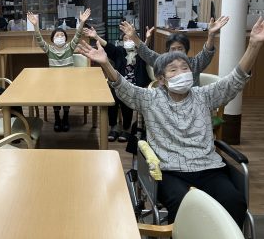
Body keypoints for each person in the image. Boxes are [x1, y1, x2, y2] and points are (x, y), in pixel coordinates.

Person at [77, 16, 264, 227]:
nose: (181, 73)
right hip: (170, 170)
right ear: (162, 79)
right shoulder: (151, 98)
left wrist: (254, 45)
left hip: (208, 166)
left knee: (235, 202)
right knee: (184, 207)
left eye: (185, 68)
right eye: (173, 70)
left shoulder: (203, 95)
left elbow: (235, 80)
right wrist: (105, 65)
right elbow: (124, 89)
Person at [27, 8, 91, 132]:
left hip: (69, 81)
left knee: (66, 97)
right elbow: (39, 40)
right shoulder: (49, 49)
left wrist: (82, 22)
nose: (60, 37)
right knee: (55, 96)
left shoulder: (70, 47)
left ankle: (66, 117)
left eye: (62, 35)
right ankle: (57, 117)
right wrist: (35, 25)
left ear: (66, 38)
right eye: (57, 35)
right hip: (54, 82)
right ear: (52, 39)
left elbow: (77, 36)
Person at [83, 27, 151, 142]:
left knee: (126, 100)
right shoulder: (120, 51)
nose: (128, 41)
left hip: (135, 85)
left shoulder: (141, 53)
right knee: (112, 98)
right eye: (125, 39)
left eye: (131, 38)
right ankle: (114, 127)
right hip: (119, 83)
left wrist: (148, 39)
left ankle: (126, 129)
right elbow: (108, 46)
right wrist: (96, 36)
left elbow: (145, 50)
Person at [120, 16, 229, 85]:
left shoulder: (194, 64)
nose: (176, 52)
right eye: (173, 49)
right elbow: (147, 53)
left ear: (186, 50)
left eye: (180, 48)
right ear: (168, 51)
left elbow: (207, 53)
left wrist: (211, 35)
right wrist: (134, 37)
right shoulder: (162, 61)